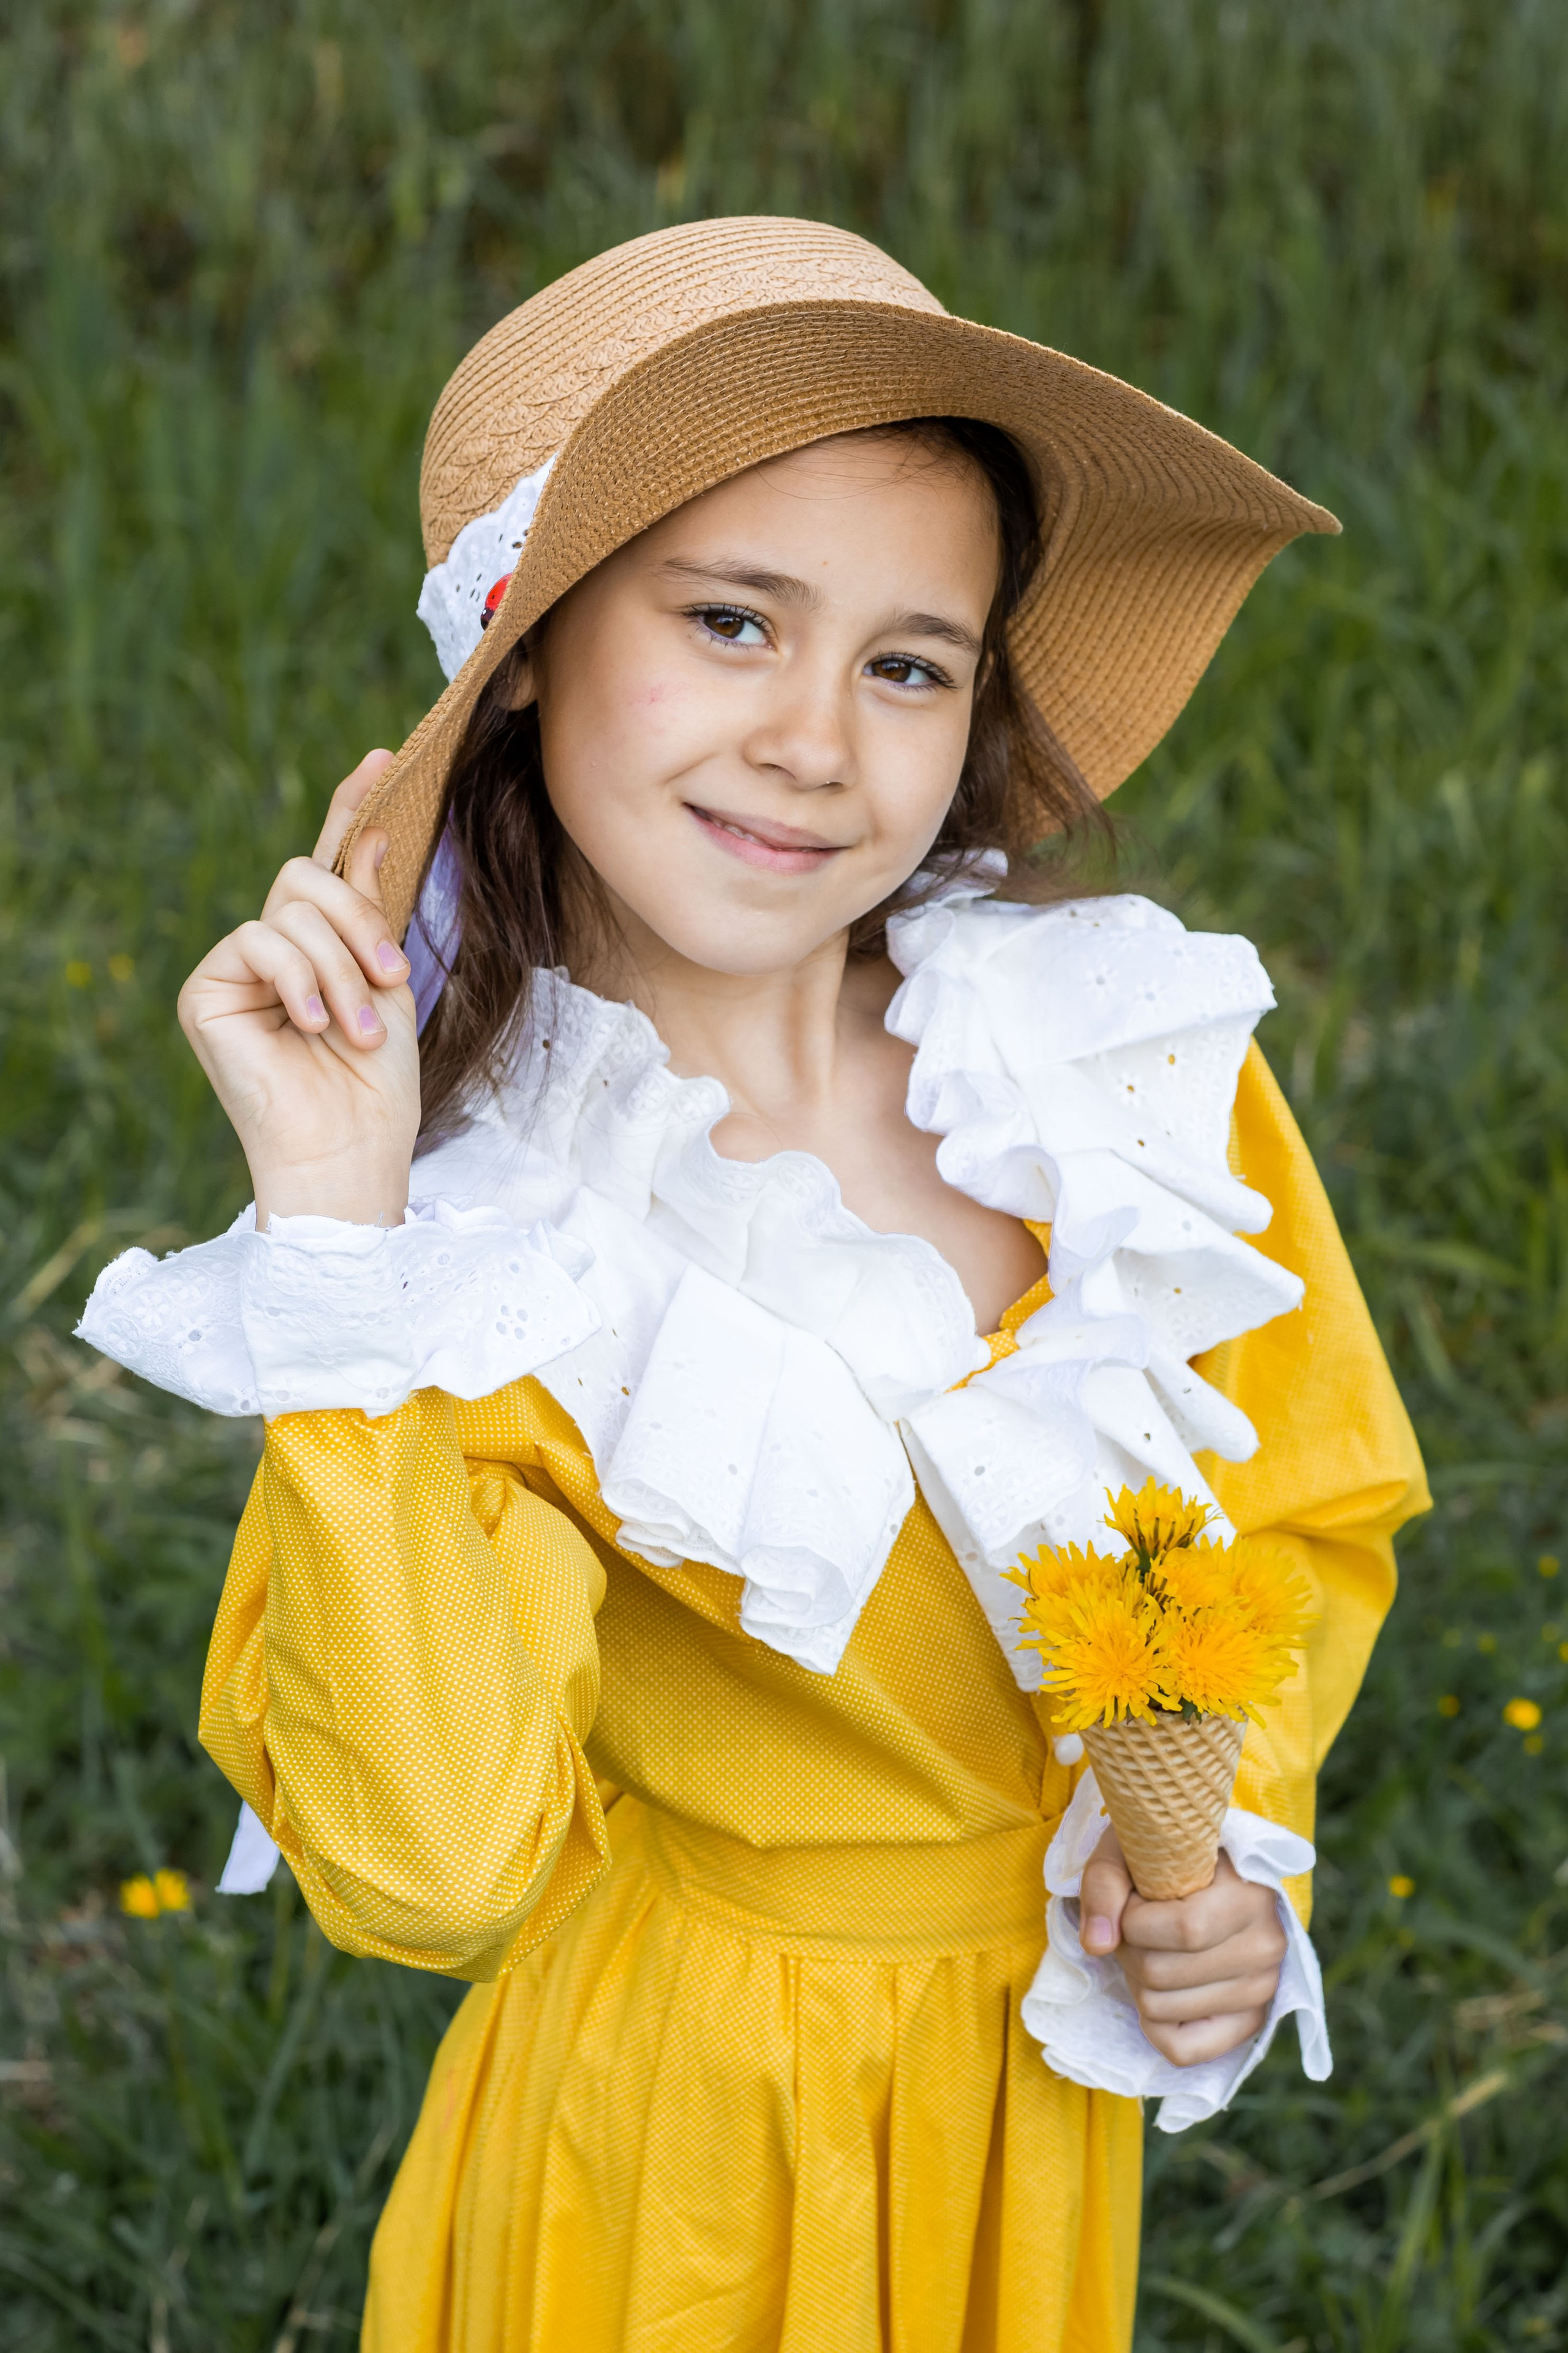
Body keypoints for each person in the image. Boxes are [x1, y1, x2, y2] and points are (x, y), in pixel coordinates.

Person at [80, 217, 1428, 2352]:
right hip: (685, 2164)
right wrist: (343, 1236)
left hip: (1026, 2125)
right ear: (522, 656)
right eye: (731, 621)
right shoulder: (493, 1253)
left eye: (912, 662)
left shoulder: (1117, 1074)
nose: (820, 739)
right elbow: (431, 1863)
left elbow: (1305, 1507)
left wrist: (1223, 1848)